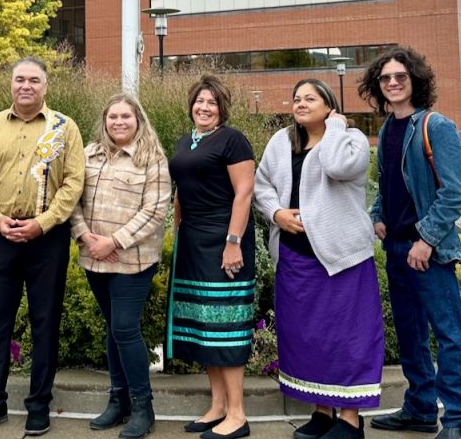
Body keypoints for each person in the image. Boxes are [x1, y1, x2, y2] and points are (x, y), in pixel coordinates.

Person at [0, 57, 85, 436]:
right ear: (11, 85)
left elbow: (73, 184)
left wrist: (42, 224)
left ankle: (39, 404)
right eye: (20, 80)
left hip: (46, 239)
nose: (26, 86)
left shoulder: (64, 129)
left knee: (45, 320)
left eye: (34, 80)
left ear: (45, 87)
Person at [253, 79, 382, 439]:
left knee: (347, 338)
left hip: (342, 259)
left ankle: (351, 420)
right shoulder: (281, 142)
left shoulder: (351, 141)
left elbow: (338, 167)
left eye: (311, 98)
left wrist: (336, 127)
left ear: (329, 105)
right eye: (296, 98)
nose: (301, 103)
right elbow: (262, 184)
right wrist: (276, 213)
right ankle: (321, 412)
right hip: (295, 258)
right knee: (307, 338)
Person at [360, 47, 461, 439]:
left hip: (429, 252)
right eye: (386, 78)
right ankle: (421, 408)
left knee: (449, 334)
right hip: (396, 249)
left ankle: (459, 421)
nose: (392, 83)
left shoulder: (435, 126)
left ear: (415, 81)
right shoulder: (390, 129)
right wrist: (378, 215)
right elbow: (388, 183)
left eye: (400, 77)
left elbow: (455, 193)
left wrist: (425, 239)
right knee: (410, 336)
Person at [71, 94, 171, 439]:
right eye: (112, 116)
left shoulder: (152, 158)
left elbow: (156, 210)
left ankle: (144, 405)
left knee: (126, 328)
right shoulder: (88, 154)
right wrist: (86, 237)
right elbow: (72, 200)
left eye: (125, 116)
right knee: (113, 328)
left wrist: (113, 241)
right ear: (105, 120)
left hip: (133, 260)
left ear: (138, 119)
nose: (118, 122)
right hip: (94, 257)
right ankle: (118, 401)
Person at [166, 74, 256, 439]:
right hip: (192, 242)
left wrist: (233, 241)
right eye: (199, 101)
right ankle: (218, 406)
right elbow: (180, 193)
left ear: (222, 108)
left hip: (224, 240)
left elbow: (244, 193)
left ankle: (238, 414)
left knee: (225, 327)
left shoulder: (232, 140)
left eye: (212, 103)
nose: (204, 108)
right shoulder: (186, 140)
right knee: (204, 326)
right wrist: (175, 235)